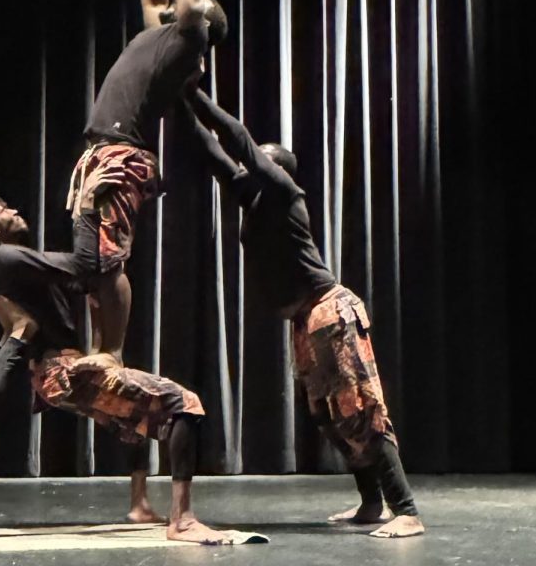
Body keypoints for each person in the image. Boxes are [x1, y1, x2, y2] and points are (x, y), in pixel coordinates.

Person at [181, 90, 425, 538]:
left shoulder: (285, 193)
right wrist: (174, 99)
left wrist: (195, 95)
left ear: (275, 171)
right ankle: (372, 503)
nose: (248, 168)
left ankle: (405, 510)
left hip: (331, 312)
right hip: (306, 321)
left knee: (361, 410)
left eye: (260, 164)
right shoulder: (251, 199)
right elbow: (215, 154)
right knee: (330, 417)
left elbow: (236, 141)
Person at [0, 195, 237, 545]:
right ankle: (182, 521)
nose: (14, 209)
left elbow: (89, 288)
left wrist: (103, 346)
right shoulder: (5, 256)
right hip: (62, 371)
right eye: (3, 210)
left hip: (55, 375)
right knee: (184, 404)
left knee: (130, 421)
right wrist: (92, 216)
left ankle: (140, 504)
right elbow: (86, 267)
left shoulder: (14, 266)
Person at [65, 0, 226, 361]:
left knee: (109, 255)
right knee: (93, 258)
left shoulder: (189, 39)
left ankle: (112, 349)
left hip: (121, 155)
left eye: (196, 4)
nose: (182, 4)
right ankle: (99, 345)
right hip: (102, 152)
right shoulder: (161, 35)